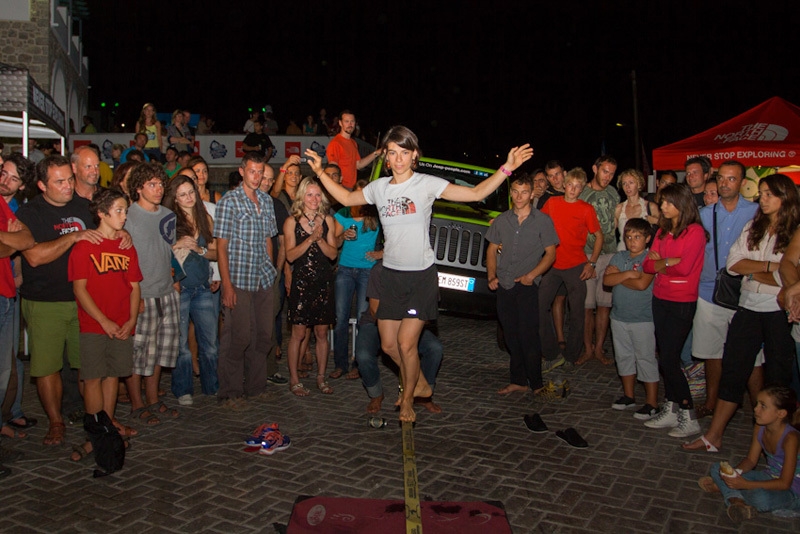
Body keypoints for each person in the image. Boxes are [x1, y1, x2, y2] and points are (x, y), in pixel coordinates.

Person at [306, 125, 532, 421]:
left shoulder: (426, 184)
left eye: (404, 152)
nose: (398, 159)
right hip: (390, 276)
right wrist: (321, 172)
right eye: (392, 153)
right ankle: (420, 381)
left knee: (405, 343)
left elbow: (476, 192)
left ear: (414, 155)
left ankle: (409, 398)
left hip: (419, 278)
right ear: (386, 157)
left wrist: (507, 169)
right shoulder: (379, 188)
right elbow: (347, 200)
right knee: (388, 345)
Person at [684, 174, 800, 452]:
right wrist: (773, 268)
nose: (763, 198)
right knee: (733, 371)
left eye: (770, 193)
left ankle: (773, 446)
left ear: (786, 197)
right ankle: (714, 436)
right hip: (747, 307)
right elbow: (734, 264)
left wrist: (759, 269)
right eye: (761, 193)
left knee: (778, 380)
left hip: (778, 311)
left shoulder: (795, 231)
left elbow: (791, 278)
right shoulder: (754, 225)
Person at [16, 156, 107, 445]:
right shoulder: (30, 213)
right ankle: (56, 421)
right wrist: (74, 237)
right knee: (47, 367)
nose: (68, 186)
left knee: (88, 364)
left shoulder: (83, 207)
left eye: (70, 179)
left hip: (83, 299)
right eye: (60, 181)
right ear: (42, 185)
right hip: (45, 300)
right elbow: (34, 256)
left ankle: (98, 419)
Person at [67, 188, 142, 460]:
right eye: (119, 211)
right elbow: (80, 289)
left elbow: (134, 286)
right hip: (95, 325)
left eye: (125, 211)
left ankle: (108, 429)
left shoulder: (125, 245)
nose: (124, 216)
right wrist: (103, 320)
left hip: (122, 323)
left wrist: (132, 318)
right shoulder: (85, 246)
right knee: (93, 378)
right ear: (102, 213)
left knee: (113, 375)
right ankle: (95, 434)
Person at [689, 161, 758, 420]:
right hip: (709, 291)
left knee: (753, 354)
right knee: (711, 352)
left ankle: (758, 406)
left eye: (732, 179)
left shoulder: (756, 212)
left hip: (748, 292)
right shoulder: (705, 214)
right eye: (722, 179)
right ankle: (711, 402)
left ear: (741, 182)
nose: (725, 184)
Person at [214, 152, 278, 409]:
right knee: (237, 336)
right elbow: (221, 246)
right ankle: (230, 392)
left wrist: (272, 270)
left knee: (263, 335)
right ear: (242, 171)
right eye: (252, 171)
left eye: (260, 172)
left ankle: (256, 386)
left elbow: (268, 239)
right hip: (239, 278)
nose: (256, 176)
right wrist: (227, 285)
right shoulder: (230, 201)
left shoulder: (266, 200)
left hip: (263, 277)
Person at [642, 184, 706, 438]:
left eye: (667, 202)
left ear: (682, 203)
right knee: (664, 356)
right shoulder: (662, 230)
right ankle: (671, 408)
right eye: (662, 202)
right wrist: (666, 262)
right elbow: (647, 265)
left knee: (670, 358)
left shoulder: (695, 232)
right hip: (660, 297)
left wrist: (662, 262)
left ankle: (689, 414)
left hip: (682, 300)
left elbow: (686, 268)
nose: (663, 207)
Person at [486, 172, 558, 399]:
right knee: (511, 335)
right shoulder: (502, 220)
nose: (519, 196)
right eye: (515, 192)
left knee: (529, 335)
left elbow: (551, 253)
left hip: (527, 286)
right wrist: (491, 275)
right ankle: (518, 381)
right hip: (505, 285)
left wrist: (532, 275)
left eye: (524, 192)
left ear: (531, 194)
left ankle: (536, 382)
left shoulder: (542, 221)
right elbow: (491, 249)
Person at [123, 162, 180, 425]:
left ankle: (153, 398)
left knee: (161, 351)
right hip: (142, 294)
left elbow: (169, 251)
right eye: (152, 185)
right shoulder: (128, 217)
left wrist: (175, 278)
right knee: (138, 353)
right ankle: (137, 404)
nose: (158, 189)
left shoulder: (168, 214)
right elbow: (124, 261)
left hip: (166, 291)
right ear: (138, 188)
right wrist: (133, 296)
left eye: (160, 184)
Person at [698, 385, 800, 522]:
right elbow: (751, 460)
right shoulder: (760, 426)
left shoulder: (791, 438)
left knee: (760, 498)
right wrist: (735, 474)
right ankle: (738, 502)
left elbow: (784, 483)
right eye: (757, 403)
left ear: (781, 413)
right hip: (768, 476)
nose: (756, 409)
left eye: (763, 406)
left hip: (793, 491)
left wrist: (745, 484)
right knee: (717, 468)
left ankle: (730, 493)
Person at [356, 261, 442, 414]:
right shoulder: (380, 269)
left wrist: (410, 325)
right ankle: (376, 394)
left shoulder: (423, 271)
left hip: (409, 325)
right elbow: (375, 310)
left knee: (434, 348)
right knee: (363, 355)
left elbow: (428, 313)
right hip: (376, 323)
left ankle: (423, 395)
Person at [162, 176, 219, 406]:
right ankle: (183, 389)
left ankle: (212, 386)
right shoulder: (169, 222)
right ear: (174, 198)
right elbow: (159, 253)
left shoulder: (205, 217)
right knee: (181, 345)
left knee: (210, 344)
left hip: (203, 288)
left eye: (191, 192)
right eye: (183, 194)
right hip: (180, 289)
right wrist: (176, 245)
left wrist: (200, 248)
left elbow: (215, 253)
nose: (188, 197)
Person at [539, 168, 602, 372]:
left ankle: (572, 354)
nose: (573, 189)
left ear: (582, 188)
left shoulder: (586, 209)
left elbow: (598, 236)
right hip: (552, 264)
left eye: (578, 186)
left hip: (576, 266)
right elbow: (537, 224)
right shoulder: (553, 203)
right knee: (539, 305)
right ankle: (550, 350)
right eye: (570, 185)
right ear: (564, 185)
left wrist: (591, 263)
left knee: (577, 313)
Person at [284, 178, 338, 395]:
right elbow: (289, 255)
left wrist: (320, 239)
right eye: (310, 195)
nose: (314, 199)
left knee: (322, 333)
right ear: (301, 197)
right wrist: (309, 239)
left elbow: (333, 254)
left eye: (318, 195)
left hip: (323, 282)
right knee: (298, 333)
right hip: (302, 282)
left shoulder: (329, 221)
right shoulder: (291, 222)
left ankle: (321, 377)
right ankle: (294, 379)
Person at [603, 218, 658, 419]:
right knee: (624, 356)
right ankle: (629, 395)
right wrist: (629, 275)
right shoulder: (619, 257)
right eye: (628, 237)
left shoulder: (650, 259)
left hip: (642, 318)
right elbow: (607, 281)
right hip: (618, 316)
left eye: (637, 237)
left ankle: (652, 402)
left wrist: (621, 277)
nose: (632, 241)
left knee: (645, 358)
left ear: (647, 238)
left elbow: (643, 285)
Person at [330, 178, 382, 380]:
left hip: (367, 271)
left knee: (363, 320)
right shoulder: (343, 213)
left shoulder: (375, 215)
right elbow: (332, 243)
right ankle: (340, 364)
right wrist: (343, 236)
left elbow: (396, 237)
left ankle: (358, 364)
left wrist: (382, 253)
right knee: (340, 319)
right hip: (345, 270)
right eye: (358, 194)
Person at [0, 155, 37, 435]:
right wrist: (10, 243)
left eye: (13, 177)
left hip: (8, 288)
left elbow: (25, 241)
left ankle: (10, 412)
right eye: (4, 172)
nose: (5, 181)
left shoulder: (13, 207)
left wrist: (9, 242)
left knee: (9, 361)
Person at [577, 156, 619, 366]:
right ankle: (587, 349)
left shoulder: (613, 193)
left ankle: (599, 348)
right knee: (587, 305)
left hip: (609, 253)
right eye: (605, 171)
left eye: (612, 173)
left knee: (604, 305)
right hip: (586, 254)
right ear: (595, 168)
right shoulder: (583, 193)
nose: (608, 176)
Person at [324, 110, 381, 190]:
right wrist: (338, 189)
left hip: (352, 187)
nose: (350, 124)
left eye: (352, 121)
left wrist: (377, 153)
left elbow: (358, 165)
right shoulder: (335, 143)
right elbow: (333, 170)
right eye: (346, 121)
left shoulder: (353, 143)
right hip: (342, 187)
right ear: (340, 123)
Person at [614, 169, 659, 251]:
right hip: (623, 253)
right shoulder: (618, 209)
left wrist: (656, 221)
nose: (627, 186)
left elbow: (667, 228)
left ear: (639, 184)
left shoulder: (650, 207)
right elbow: (609, 233)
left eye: (631, 183)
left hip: (644, 255)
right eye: (624, 183)